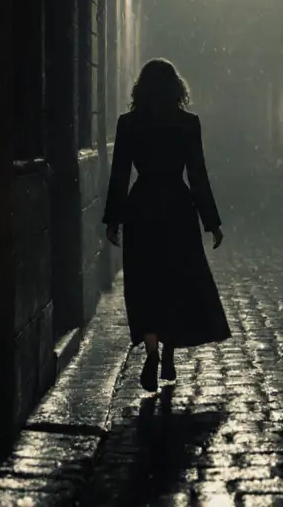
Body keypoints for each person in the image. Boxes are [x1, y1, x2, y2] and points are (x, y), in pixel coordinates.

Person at [103, 58, 231, 391]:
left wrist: (113, 218)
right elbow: (197, 174)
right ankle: (170, 354)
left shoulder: (128, 123)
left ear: (141, 88)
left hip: (142, 207)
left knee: (145, 285)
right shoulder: (188, 123)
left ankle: (152, 354)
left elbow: (120, 174)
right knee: (175, 282)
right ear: (177, 87)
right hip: (177, 206)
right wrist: (211, 222)